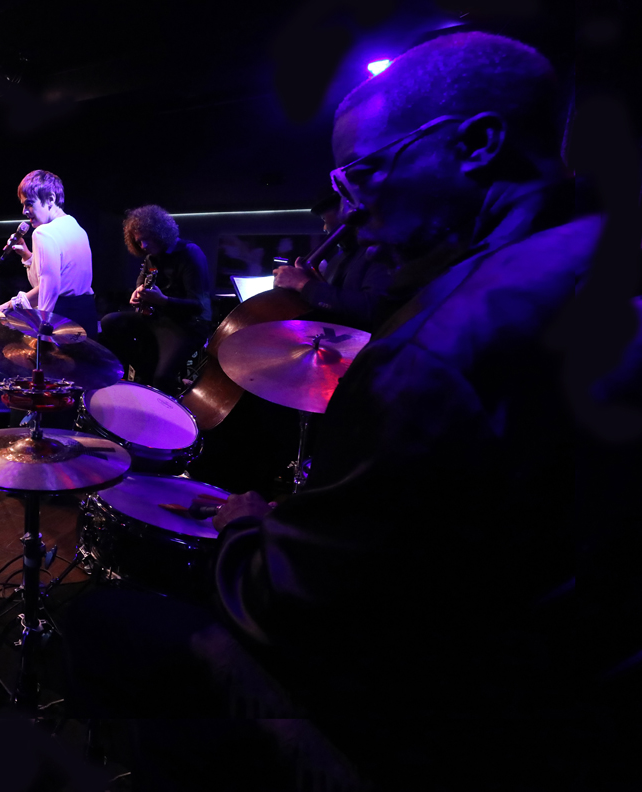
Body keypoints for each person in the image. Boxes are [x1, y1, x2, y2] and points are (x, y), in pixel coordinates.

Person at [65, 32, 591, 789]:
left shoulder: (439, 348)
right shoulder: (595, 252)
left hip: (422, 727)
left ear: (477, 144)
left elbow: (288, 609)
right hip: (554, 692)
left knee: (103, 621)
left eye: (364, 175)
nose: (348, 216)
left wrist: (246, 528)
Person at [98, 205, 211, 393]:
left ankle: (166, 392)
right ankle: (144, 369)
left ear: (159, 233)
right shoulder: (151, 257)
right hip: (157, 319)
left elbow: (198, 306)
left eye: (146, 239)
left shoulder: (190, 253)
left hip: (186, 325)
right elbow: (142, 279)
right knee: (110, 322)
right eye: (138, 241)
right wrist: (137, 292)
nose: (143, 246)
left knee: (162, 378)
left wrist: (163, 300)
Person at [272, 194, 399, 332]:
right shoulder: (337, 260)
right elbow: (334, 307)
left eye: (324, 219)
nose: (324, 227)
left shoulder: (378, 252)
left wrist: (303, 284)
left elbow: (372, 308)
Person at [0, 170, 97, 337]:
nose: (24, 211)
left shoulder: (43, 232)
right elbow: (46, 283)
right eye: (23, 205)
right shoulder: (77, 227)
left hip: (62, 320)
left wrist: (41, 331)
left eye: (29, 204)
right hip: (86, 316)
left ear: (51, 199)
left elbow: (49, 289)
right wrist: (27, 256)